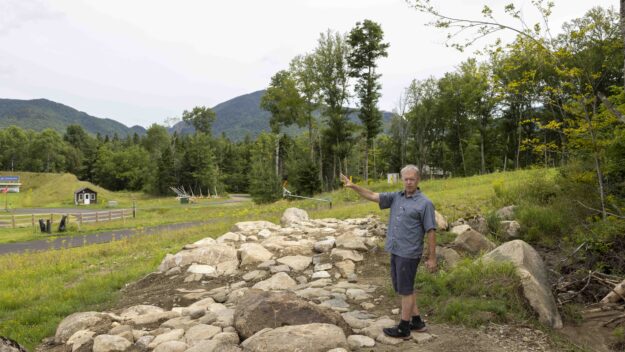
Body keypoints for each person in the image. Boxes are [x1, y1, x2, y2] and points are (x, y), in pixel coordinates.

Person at [340, 164, 437, 339]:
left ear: (418, 180)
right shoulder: (395, 197)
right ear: (402, 179)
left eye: (412, 179)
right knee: (404, 287)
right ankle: (417, 321)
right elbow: (371, 195)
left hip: (409, 253)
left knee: (405, 290)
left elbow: (431, 231)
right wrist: (353, 186)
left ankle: (404, 328)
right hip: (395, 250)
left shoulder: (425, 203)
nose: (408, 182)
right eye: (406, 179)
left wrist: (432, 258)